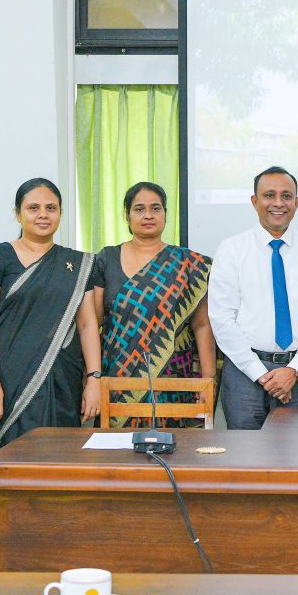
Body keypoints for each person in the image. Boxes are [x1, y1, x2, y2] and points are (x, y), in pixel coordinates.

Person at [0, 178, 102, 450]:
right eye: (33, 208)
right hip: (11, 379)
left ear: (60, 213)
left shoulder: (78, 264)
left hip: (64, 380)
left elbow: (88, 325)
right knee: (15, 461)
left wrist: (94, 379)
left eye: (51, 208)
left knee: (63, 460)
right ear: (18, 214)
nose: (43, 214)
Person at [208, 166, 298, 429]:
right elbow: (222, 319)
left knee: (295, 453)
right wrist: (260, 374)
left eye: (286, 196)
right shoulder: (232, 250)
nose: (278, 203)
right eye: (269, 195)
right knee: (245, 451)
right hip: (244, 372)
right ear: (254, 201)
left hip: (297, 373)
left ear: (296, 202)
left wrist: (294, 370)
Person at [93, 182, 215, 427]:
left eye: (155, 208)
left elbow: (202, 325)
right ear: (127, 216)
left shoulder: (189, 264)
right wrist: (92, 379)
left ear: (165, 214)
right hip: (117, 377)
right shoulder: (107, 259)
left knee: (174, 447)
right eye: (139, 209)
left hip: (173, 379)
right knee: (119, 448)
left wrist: (208, 379)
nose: (148, 215)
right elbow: (93, 324)